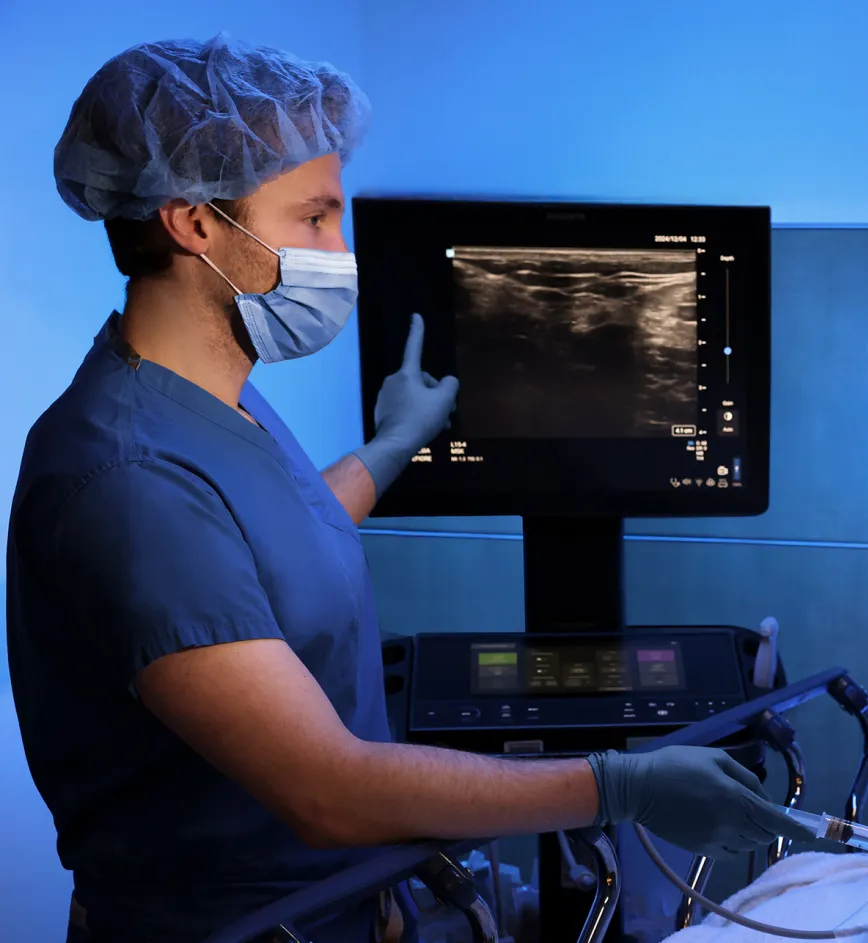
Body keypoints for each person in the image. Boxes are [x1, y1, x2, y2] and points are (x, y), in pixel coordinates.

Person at [10, 36, 802, 943]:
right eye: (313, 219)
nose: (338, 252)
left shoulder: (211, 400)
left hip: (343, 909)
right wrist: (617, 784)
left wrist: (389, 447)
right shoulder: (127, 477)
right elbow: (328, 789)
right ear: (195, 224)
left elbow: (275, 538)